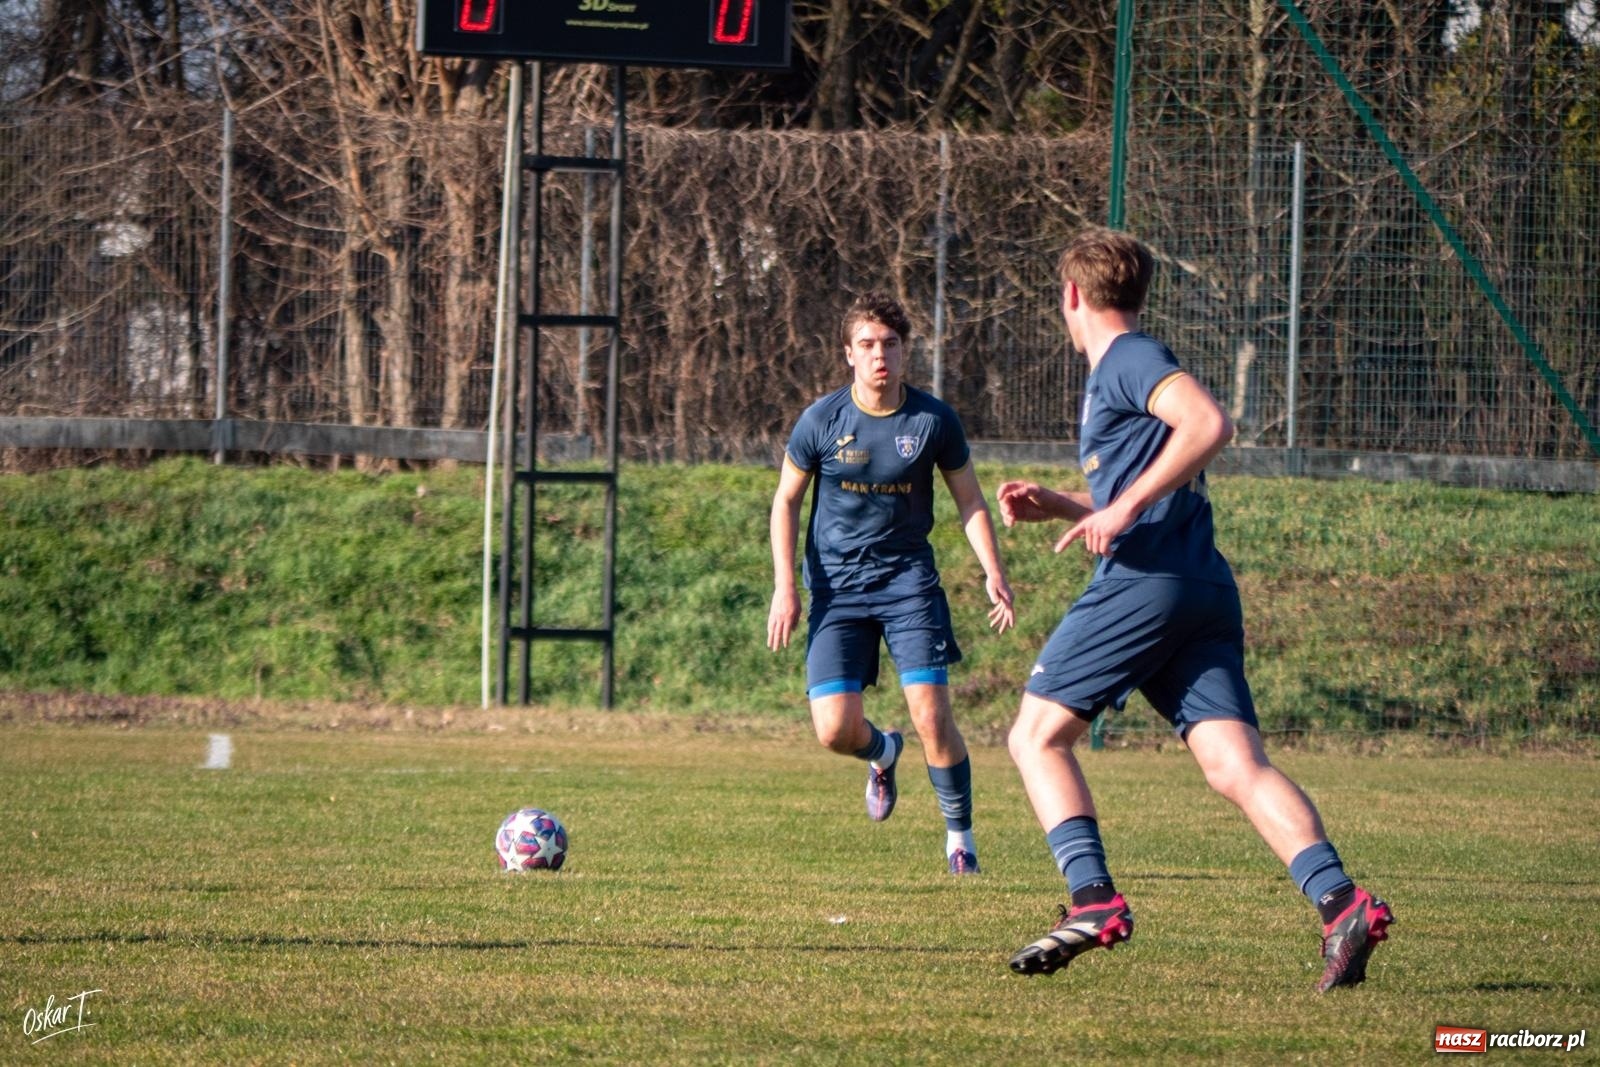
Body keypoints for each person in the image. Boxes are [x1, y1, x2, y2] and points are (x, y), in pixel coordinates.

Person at [995, 228, 1392, 991]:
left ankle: (1093, 898)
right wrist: (1071, 506)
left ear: (1071, 295)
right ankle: (1342, 903)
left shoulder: (1128, 358)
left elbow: (1210, 425)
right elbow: (1148, 481)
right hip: (1198, 585)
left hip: (1147, 581)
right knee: (1234, 764)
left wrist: (1122, 510)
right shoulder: (1122, 369)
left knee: (1036, 736)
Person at [768, 291, 1015, 875]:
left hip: (908, 584)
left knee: (933, 717)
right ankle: (884, 751)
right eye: (868, 345)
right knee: (833, 731)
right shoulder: (822, 421)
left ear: (906, 352)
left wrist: (993, 571)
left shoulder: (933, 420)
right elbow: (785, 501)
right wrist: (786, 586)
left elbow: (971, 501)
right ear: (849, 355)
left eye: (891, 345)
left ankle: (960, 841)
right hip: (837, 590)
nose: (880, 355)